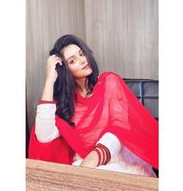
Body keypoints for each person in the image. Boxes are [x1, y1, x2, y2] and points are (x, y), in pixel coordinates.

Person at [28, 34, 158, 177]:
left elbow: (119, 129)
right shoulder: (66, 103)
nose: (82, 60)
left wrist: (89, 164)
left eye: (81, 54)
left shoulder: (109, 81)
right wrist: (50, 81)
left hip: (115, 160)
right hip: (83, 165)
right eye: (73, 61)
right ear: (65, 71)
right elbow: (43, 136)